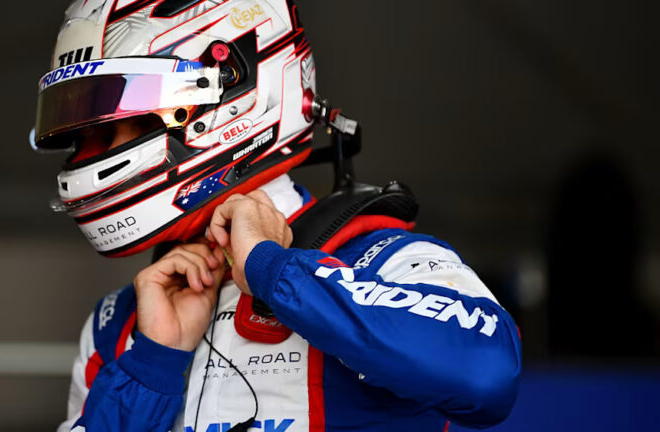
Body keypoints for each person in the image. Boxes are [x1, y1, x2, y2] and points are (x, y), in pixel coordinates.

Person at [32, 1, 522, 431]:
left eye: (113, 121)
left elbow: (488, 375)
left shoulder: (386, 261)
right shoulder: (123, 322)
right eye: (82, 134)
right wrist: (154, 363)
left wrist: (275, 270)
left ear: (229, 94)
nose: (89, 152)